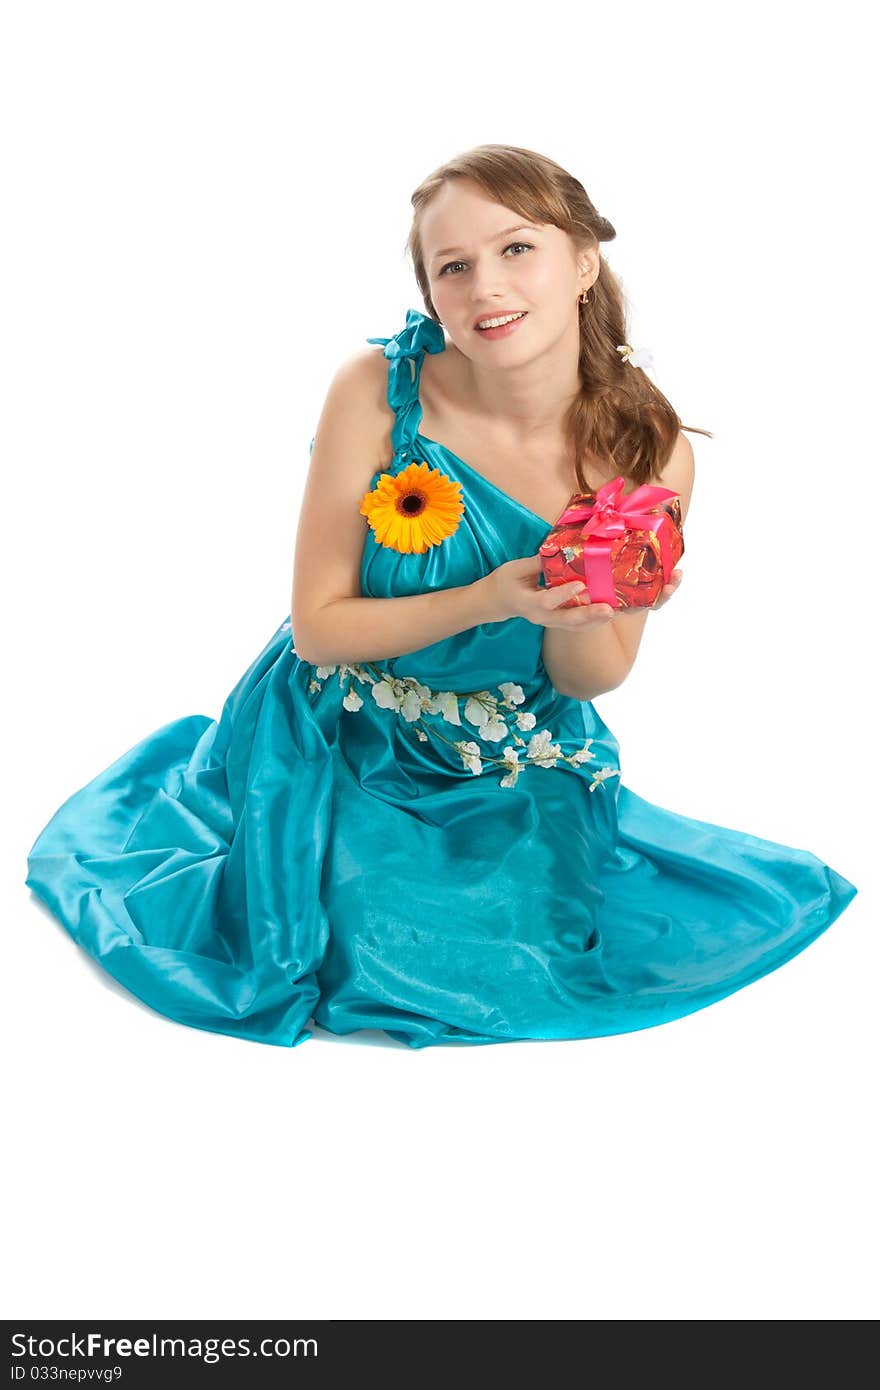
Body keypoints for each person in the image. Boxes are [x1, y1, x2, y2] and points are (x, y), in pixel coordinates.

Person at [24, 143, 858, 1049]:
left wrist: (599, 606)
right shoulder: (377, 395)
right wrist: (494, 597)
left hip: (512, 750)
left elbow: (589, 680)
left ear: (582, 262)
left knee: (523, 957)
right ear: (431, 295)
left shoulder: (646, 455)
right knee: (350, 936)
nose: (485, 288)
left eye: (515, 250)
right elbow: (319, 629)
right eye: (452, 267)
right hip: (341, 725)